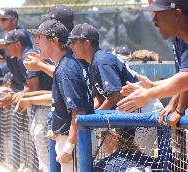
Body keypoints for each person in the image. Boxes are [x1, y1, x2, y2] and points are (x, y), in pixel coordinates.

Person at [69, 23, 163, 155]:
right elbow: (103, 99)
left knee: (134, 160)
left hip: (143, 109)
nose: (70, 45)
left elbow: (116, 96)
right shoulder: (94, 63)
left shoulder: (102, 60)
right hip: (133, 112)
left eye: (74, 41)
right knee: (124, 159)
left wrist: (91, 119)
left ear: (86, 43)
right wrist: (90, 115)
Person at [20, 19, 94, 171]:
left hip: (75, 140)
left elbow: (77, 112)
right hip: (72, 136)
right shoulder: (66, 64)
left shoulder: (66, 69)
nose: (36, 41)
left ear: (53, 41)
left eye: (40, 37)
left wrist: (68, 147)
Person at [116, 0, 188, 129]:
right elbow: (183, 78)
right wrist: (152, 85)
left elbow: (184, 80)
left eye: (158, 14)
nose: (154, 20)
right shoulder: (182, 41)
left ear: (177, 15)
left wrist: (149, 94)